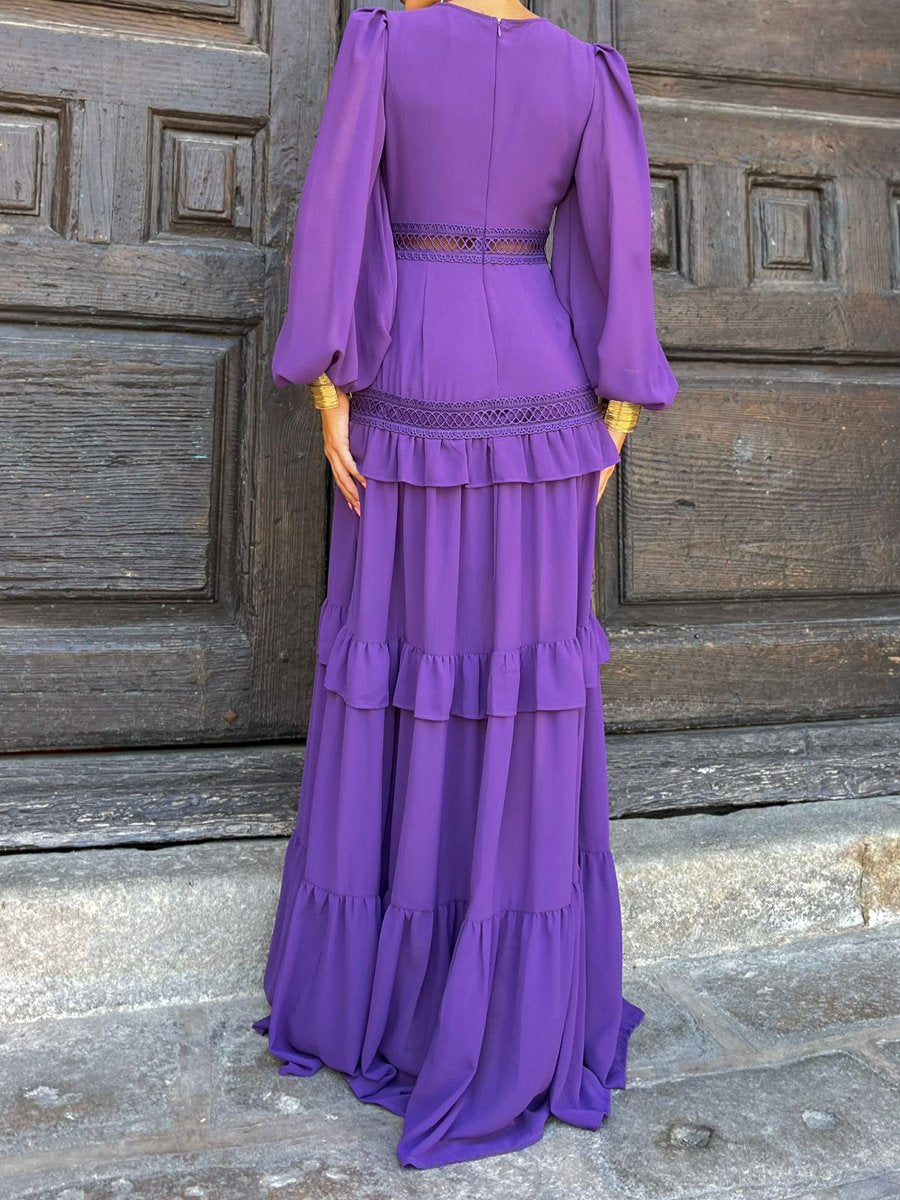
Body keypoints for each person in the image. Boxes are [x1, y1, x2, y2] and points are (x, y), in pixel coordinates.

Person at [253, 0, 678, 1170]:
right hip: (543, 397)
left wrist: (328, 386)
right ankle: (515, 1003)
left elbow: (336, 210)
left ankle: (381, 998)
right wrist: (617, 414)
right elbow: (616, 246)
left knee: (404, 674)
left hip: (411, 385)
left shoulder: (384, 43)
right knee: (523, 691)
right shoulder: (587, 73)